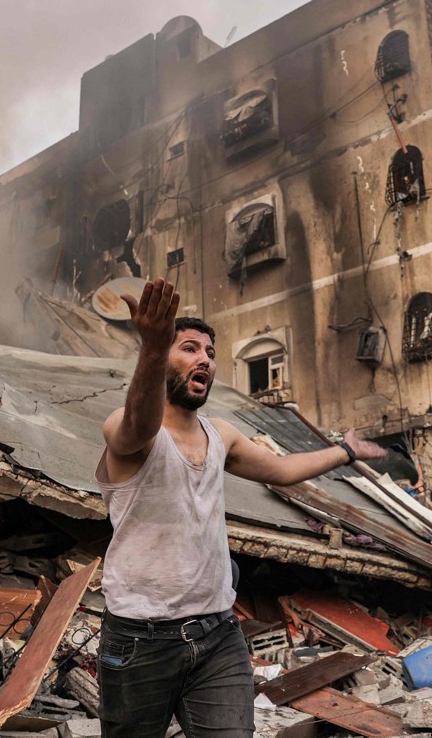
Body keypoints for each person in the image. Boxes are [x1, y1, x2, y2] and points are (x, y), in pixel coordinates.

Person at [95, 278, 386, 737]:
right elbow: (137, 425)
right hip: (139, 641)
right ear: (162, 355)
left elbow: (283, 470)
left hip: (217, 635)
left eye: (210, 353)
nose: (205, 360)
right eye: (189, 348)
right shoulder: (125, 427)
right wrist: (151, 346)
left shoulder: (221, 434)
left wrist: (345, 452)